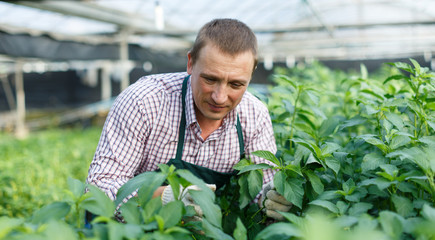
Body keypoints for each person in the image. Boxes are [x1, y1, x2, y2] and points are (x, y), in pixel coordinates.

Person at [86, 18, 292, 221]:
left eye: (236, 85)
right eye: (210, 79)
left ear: (251, 75)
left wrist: (269, 198)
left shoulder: (254, 116)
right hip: (131, 227)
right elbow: (99, 187)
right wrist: (164, 198)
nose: (219, 97)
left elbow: (263, 186)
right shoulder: (145, 101)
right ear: (191, 63)